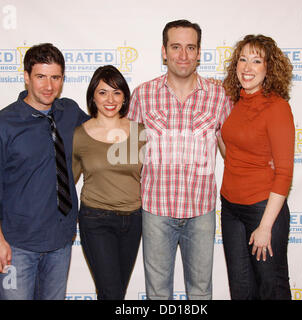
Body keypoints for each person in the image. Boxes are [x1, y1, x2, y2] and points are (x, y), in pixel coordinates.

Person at [127, 19, 233, 300]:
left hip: (201, 210)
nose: (183, 55)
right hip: (155, 210)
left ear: (199, 53)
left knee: (200, 291)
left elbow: (232, 150)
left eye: (190, 47)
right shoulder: (142, 94)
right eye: (176, 47)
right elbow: (129, 155)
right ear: (164, 51)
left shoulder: (219, 96)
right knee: (158, 293)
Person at [0, 43, 89, 300]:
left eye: (55, 77)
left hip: (60, 242)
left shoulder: (69, 111)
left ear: (62, 78)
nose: (49, 86)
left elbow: (102, 134)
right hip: (17, 246)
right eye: (40, 77)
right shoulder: (1, 125)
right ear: (26, 77)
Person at [218, 34, 295, 300]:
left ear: (268, 68)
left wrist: (265, 227)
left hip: (263, 210)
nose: (247, 67)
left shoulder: (277, 108)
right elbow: (233, 153)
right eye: (242, 59)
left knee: (271, 288)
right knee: (241, 290)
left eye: (256, 60)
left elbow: (284, 173)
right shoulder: (236, 102)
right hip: (230, 208)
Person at [72, 65, 145, 300]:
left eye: (116, 92)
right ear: (93, 96)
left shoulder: (141, 133)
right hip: (96, 220)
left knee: (116, 292)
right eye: (103, 92)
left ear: (124, 97)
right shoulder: (79, 135)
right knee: (111, 293)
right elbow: (66, 181)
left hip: (133, 220)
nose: (110, 99)